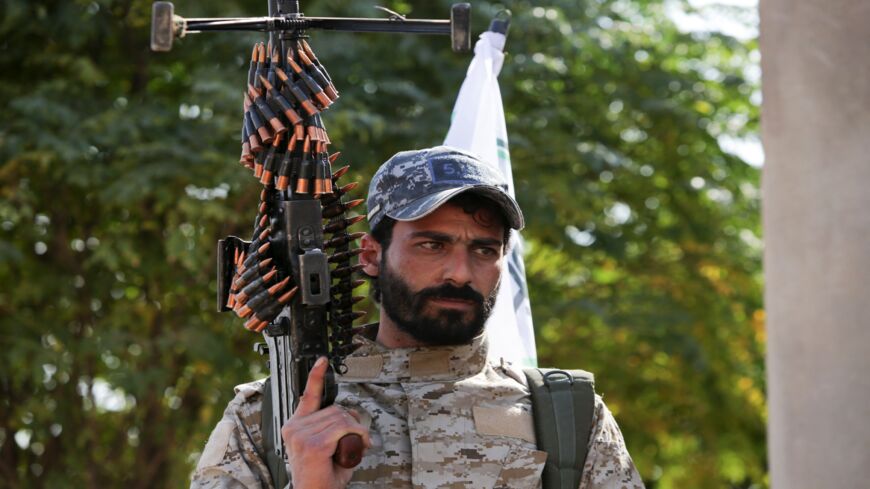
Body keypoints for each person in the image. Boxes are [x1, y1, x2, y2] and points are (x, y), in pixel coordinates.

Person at [191, 146, 644, 489]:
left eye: (484, 250)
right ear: (371, 255)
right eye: (432, 245)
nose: (461, 273)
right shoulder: (270, 416)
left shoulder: (566, 414)